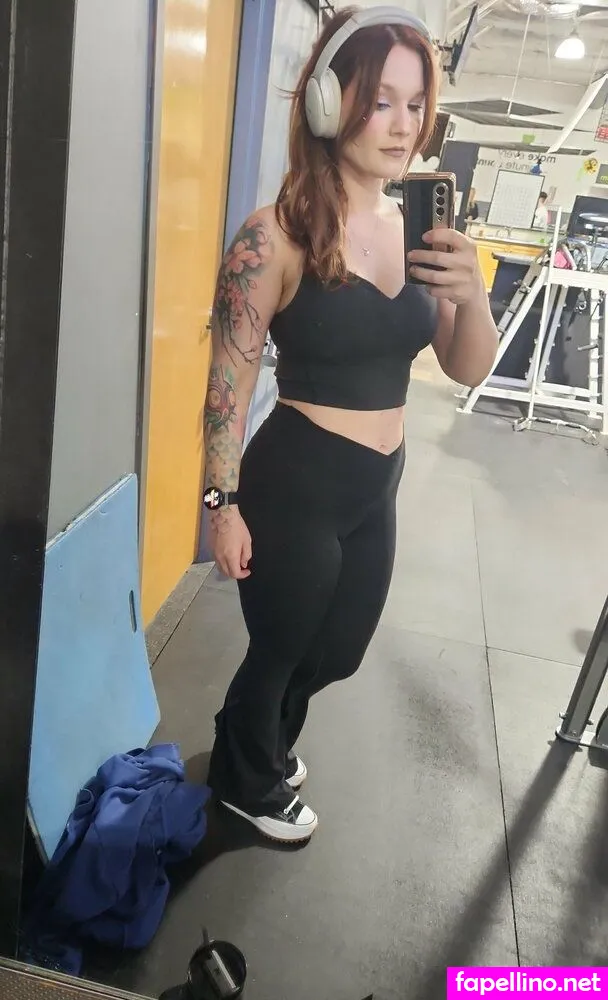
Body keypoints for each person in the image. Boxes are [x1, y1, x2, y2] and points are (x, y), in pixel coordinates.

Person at [202, 4, 498, 844]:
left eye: (416, 104)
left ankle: (259, 740)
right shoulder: (274, 236)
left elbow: (466, 367)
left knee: (338, 652)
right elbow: (228, 378)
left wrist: (472, 293)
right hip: (297, 480)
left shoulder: (423, 234)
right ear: (332, 106)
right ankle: (245, 778)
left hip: (378, 481)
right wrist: (222, 503)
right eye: (381, 102)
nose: (403, 125)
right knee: (282, 643)